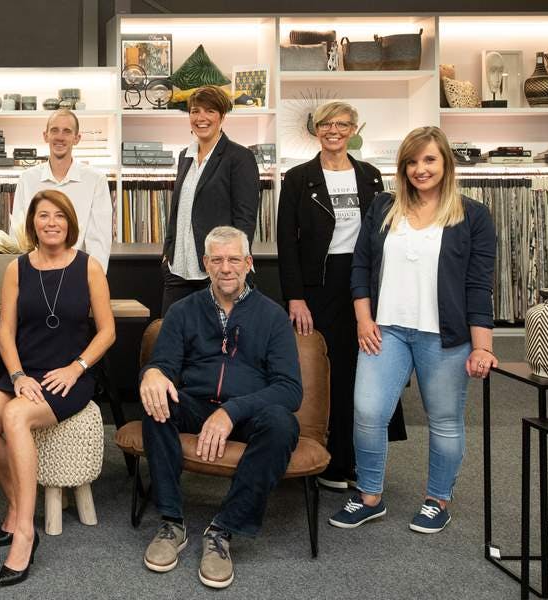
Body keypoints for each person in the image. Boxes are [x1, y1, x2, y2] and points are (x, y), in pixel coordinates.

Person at [328, 125, 497, 535]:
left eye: (429, 159)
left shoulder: (473, 215)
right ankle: (369, 496)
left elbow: (479, 286)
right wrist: (363, 319)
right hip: (385, 331)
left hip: (445, 337)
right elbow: (361, 266)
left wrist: (482, 347)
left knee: (444, 419)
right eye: (412, 161)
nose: (421, 169)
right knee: (368, 412)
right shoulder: (383, 206)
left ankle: (437, 500)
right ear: (402, 167)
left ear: (445, 162)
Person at [139, 226, 302, 590]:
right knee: (156, 403)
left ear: (249, 262)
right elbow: (163, 364)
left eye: (233, 259)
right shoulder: (182, 311)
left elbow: (290, 390)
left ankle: (223, 530)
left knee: (282, 424)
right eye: (217, 260)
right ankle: (171, 523)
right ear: (205, 264)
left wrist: (232, 412)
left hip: (247, 414)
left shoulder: (273, 317)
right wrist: (152, 373)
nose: (226, 268)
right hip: (194, 404)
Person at [0, 190, 115, 587]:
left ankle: (24, 533)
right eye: (43, 216)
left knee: (15, 416)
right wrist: (17, 376)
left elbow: (107, 331)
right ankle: (17, 506)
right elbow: (5, 331)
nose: (51, 223)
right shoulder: (17, 268)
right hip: (25, 371)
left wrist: (76, 367)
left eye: (59, 216)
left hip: (68, 376)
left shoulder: (88, 267)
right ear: (32, 223)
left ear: (70, 222)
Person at [275, 101, 405, 491]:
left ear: (354, 129)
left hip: (363, 281)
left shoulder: (370, 175)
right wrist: (295, 297)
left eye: (343, 124)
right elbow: (287, 242)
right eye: (326, 124)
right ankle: (327, 458)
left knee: (365, 367)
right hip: (320, 283)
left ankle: (355, 458)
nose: (334, 130)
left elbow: (383, 233)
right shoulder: (298, 178)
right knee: (326, 370)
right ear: (316, 129)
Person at [160, 86, 260, 313]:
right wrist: (167, 253)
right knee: (171, 331)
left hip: (216, 273)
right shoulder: (185, 156)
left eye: (210, 111)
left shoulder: (239, 157)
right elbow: (178, 209)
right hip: (177, 270)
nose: (201, 117)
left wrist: (233, 265)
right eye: (195, 111)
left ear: (222, 117)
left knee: (218, 334)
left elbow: (245, 219)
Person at [9, 109, 113, 271]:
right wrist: (21, 275)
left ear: (77, 138)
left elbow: (99, 241)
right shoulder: (27, 179)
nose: (60, 137)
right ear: (45, 136)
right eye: (54, 130)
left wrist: (94, 278)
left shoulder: (95, 180)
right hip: (35, 272)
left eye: (67, 131)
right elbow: (18, 235)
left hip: (78, 273)